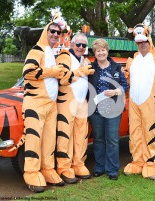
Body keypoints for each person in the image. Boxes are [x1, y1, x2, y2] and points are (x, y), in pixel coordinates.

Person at [20, 14, 68, 193]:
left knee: (49, 140)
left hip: (51, 105)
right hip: (36, 103)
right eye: (53, 31)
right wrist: (53, 71)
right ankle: (31, 172)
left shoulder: (52, 53)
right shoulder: (36, 51)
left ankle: (48, 169)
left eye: (59, 32)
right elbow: (29, 72)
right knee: (34, 139)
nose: (56, 35)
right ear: (45, 32)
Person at [123, 23, 155, 180]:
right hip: (134, 103)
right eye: (139, 42)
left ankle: (150, 163)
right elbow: (126, 80)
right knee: (135, 133)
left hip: (151, 103)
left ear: (149, 40)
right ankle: (137, 162)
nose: (142, 44)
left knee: (149, 134)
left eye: (144, 41)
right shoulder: (132, 59)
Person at [56, 33, 95, 184]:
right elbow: (63, 78)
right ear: (72, 44)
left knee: (81, 135)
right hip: (67, 101)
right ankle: (64, 168)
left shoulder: (85, 60)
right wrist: (80, 72)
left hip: (81, 102)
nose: (80, 47)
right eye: (78, 44)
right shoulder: (64, 57)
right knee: (65, 136)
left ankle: (78, 163)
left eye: (84, 45)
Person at [87, 38, 128, 180]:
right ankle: (99, 167)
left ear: (107, 51)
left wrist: (116, 92)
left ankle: (112, 169)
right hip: (96, 110)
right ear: (95, 53)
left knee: (112, 139)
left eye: (103, 50)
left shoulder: (116, 68)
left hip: (113, 109)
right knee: (98, 139)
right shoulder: (91, 69)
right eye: (98, 50)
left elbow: (125, 86)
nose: (101, 53)